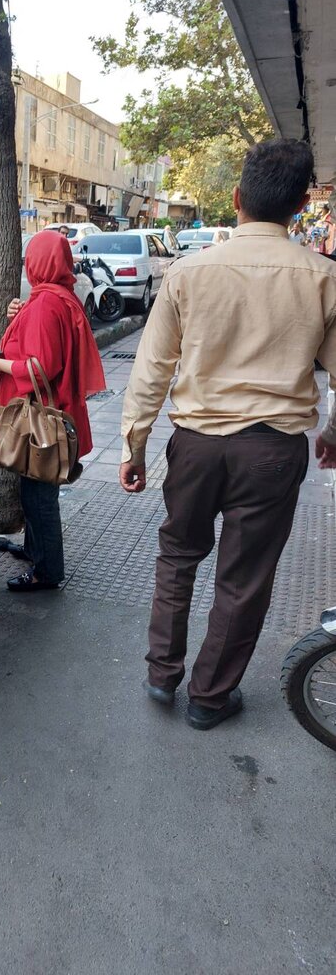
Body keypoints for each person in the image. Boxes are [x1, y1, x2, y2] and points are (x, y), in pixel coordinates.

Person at [119, 138, 336, 731]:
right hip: (272, 451)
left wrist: (133, 446)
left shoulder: (189, 273)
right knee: (244, 578)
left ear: (236, 198)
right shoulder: (322, 277)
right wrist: (333, 431)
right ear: (299, 207)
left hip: (195, 444)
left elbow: (151, 370)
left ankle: (162, 673)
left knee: (178, 555)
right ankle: (210, 697)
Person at [0, 230, 105, 592]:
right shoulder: (56, 296)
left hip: (39, 420)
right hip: (50, 412)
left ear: (38, 262)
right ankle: (36, 551)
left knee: (39, 496)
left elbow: (40, 367)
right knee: (35, 491)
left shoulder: (47, 303)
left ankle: (47, 571)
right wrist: (20, 311)